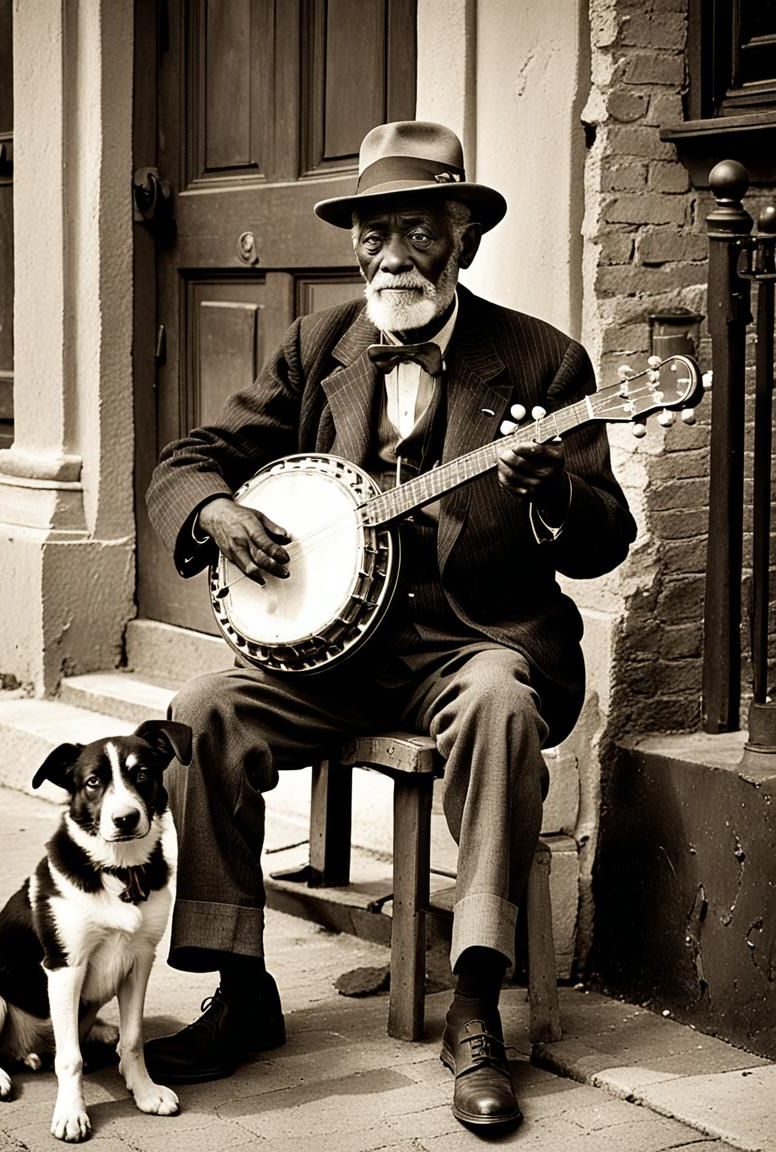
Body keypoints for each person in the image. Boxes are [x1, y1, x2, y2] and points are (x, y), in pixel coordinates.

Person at [144, 121, 636, 1132]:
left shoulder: (543, 362)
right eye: (371, 234)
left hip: (470, 642)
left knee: (500, 708)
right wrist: (216, 513)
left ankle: (473, 1008)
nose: (389, 256)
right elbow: (188, 456)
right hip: (325, 655)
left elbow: (601, 539)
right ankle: (240, 990)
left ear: (463, 235)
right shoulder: (316, 344)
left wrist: (549, 495)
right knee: (200, 711)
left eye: (413, 229)